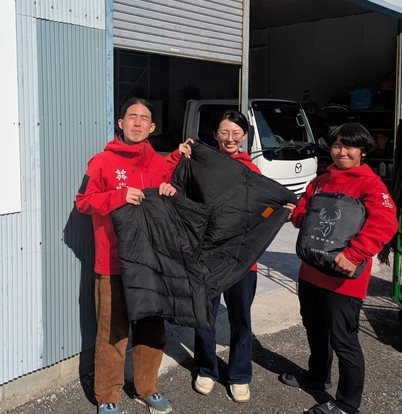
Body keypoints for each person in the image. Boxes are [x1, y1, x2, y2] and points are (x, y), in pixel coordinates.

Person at [75, 97, 192, 414]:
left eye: (144, 118)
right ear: (120, 123)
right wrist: (117, 196)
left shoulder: (159, 164)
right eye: (132, 116)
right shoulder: (102, 162)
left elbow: (171, 204)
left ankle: (147, 387)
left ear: (152, 127)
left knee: (152, 329)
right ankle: (108, 395)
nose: (137, 123)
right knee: (112, 332)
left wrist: (169, 192)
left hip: (152, 264)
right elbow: (83, 202)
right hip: (112, 263)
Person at [279, 123, 398, 414]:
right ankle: (318, 375)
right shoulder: (321, 181)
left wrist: (355, 254)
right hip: (311, 272)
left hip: (344, 280)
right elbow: (304, 212)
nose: (342, 152)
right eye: (336, 146)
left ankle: (347, 404)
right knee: (314, 327)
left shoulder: (370, 185)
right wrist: (295, 214)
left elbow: (385, 223)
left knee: (344, 341)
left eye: (350, 146)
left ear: (363, 151)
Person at [192, 110, 262, 403]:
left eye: (236, 133)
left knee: (240, 318)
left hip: (243, 261)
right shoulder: (202, 166)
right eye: (224, 132)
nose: (230, 138)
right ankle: (206, 368)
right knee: (204, 315)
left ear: (244, 136)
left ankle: (239, 375)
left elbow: (264, 209)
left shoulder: (253, 171)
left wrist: (278, 211)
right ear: (215, 135)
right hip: (208, 257)